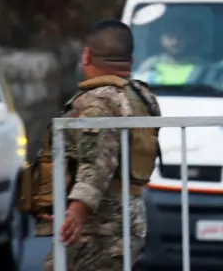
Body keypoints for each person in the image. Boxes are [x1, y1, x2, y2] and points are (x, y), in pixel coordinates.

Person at [17, 19, 161, 270]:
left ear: (86, 56)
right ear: (131, 60)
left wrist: (77, 211)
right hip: (129, 215)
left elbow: (99, 161)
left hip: (99, 224)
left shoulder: (97, 103)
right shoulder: (141, 97)